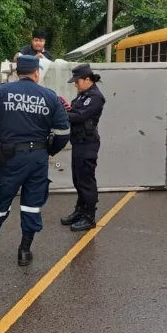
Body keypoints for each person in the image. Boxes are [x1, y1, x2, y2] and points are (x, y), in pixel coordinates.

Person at [0, 55, 70, 266]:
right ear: (36, 73)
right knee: (32, 205)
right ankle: (24, 252)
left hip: (10, 158)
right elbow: (63, 132)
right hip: (37, 159)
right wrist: (49, 151)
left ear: (17, 72)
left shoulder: (1, 92)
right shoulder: (50, 96)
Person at [60, 63, 106, 232]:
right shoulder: (82, 95)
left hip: (88, 143)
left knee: (86, 181)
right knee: (78, 180)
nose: (76, 84)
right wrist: (67, 108)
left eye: (77, 81)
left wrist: (61, 113)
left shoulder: (95, 97)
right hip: (78, 142)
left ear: (88, 79)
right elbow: (75, 110)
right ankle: (80, 211)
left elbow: (80, 116)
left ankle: (89, 217)